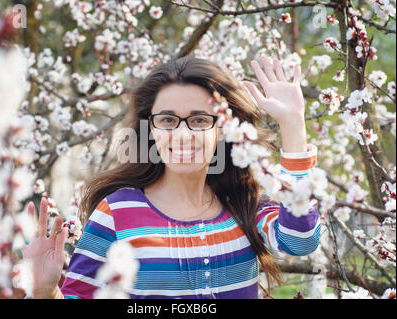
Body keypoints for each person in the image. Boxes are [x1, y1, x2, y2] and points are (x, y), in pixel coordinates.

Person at [20, 56, 320, 299]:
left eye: (200, 120)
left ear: (223, 128)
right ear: (150, 129)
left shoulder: (244, 203)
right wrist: (46, 292)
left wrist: (293, 125)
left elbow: (300, 240)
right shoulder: (116, 212)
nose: (183, 133)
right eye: (167, 120)